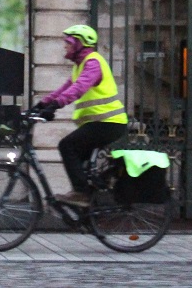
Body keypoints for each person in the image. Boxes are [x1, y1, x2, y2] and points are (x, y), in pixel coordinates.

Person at [32, 24, 128, 207]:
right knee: (78, 163)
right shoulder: (80, 66)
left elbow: (79, 88)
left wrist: (56, 105)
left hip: (109, 122)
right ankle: (87, 206)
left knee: (67, 145)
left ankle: (82, 194)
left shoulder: (93, 62)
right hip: (98, 123)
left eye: (68, 42)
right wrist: (41, 105)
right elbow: (65, 88)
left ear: (80, 43)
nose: (65, 46)